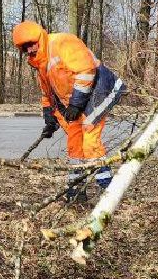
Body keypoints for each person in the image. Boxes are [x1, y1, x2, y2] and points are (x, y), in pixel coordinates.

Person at [10, 21, 124, 201]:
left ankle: (109, 191)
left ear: (39, 38)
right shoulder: (41, 65)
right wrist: (50, 121)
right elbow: (48, 95)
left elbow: (86, 71)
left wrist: (76, 105)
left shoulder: (62, 42)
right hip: (80, 98)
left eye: (31, 44)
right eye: (25, 48)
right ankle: (76, 190)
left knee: (89, 137)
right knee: (74, 141)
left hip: (100, 89)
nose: (30, 50)